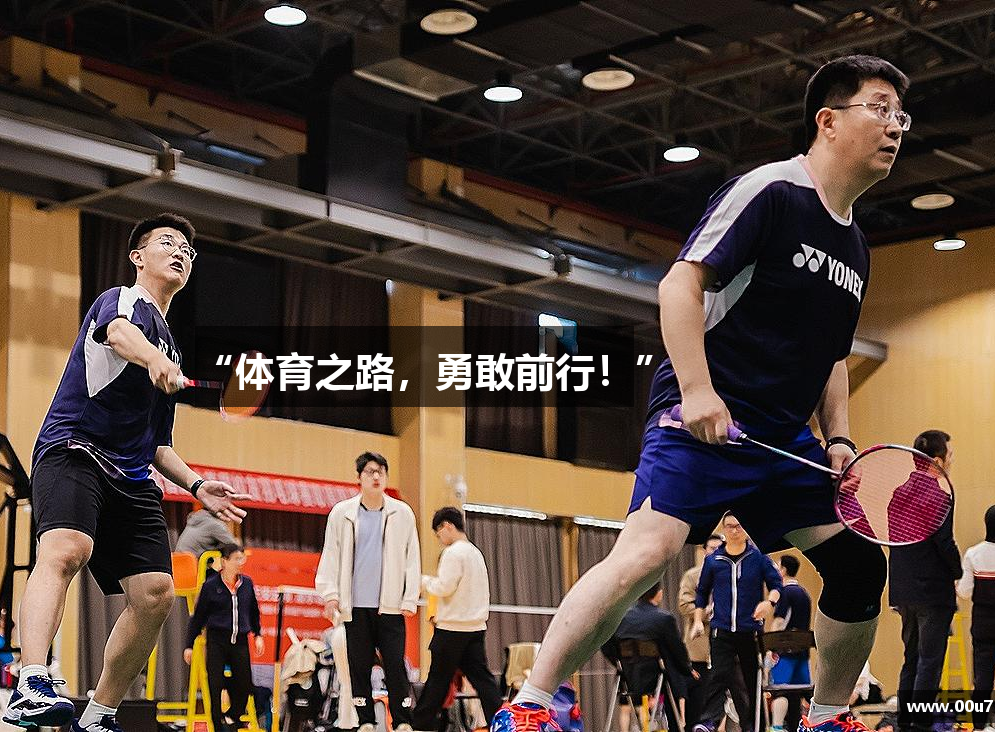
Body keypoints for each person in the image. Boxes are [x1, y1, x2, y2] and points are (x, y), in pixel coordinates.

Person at [491, 54, 909, 732]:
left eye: (901, 116)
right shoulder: (771, 192)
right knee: (647, 553)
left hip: (781, 440)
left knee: (858, 565)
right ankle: (530, 704)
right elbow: (678, 284)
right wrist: (697, 390)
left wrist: (838, 437)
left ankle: (828, 717)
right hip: (703, 418)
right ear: (828, 120)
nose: (895, 127)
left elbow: (832, 355)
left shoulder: (856, 248)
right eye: (880, 109)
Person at [3, 213, 251, 732]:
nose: (180, 252)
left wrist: (198, 486)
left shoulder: (172, 350)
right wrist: (152, 359)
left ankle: (98, 715)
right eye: (168, 243)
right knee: (67, 548)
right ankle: (30, 682)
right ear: (138, 256)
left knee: (156, 593)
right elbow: (117, 335)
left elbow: (157, 445)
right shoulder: (122, 300)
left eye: (187, 250)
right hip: (75, 448)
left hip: (132, 474)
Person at [315, 452, 420, 732]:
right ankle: (366, 721)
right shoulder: (341, 513)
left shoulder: (402, 514)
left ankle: (402, 721)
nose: (376, 476)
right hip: (355, 607)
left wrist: (410, 597)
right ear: (359, 477)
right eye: (370, 471)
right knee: (358, 666)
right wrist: (330, 595)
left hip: (390, 607)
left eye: (381, 472)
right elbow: (331, 555)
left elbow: (412, 558)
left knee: (395, 665)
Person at [890, 430, 961, 732]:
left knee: (911, 658)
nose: (951, 460)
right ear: (937, 461)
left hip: (903, 589)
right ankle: (920, 725)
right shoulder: (940, 495)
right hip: (932, 589)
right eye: (949, 455)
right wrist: (957, 571)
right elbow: (943, 542)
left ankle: (905, 723)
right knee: (930, 661)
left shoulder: (898, 493)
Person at [412, 507, 502, 732]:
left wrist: (423, 581)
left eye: (438, 533)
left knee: (437, 681)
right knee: (483, 680)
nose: (440, 538)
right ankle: (501, 722)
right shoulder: (476, 553)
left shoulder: (453, 553)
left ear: (447, 526)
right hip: (475, 627)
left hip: (452, 629)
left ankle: (419, 725)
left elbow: (444, 587)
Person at [691, 515, 782, 732]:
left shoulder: (758, 557)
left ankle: (754, 725)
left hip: (750, 630)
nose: (734, 531)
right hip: (721, 629)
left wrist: (769, 603)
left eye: (739, 526)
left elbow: (776, 585)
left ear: (746, 529)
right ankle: (709, 722)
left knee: (750, 680)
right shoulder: (714, 560)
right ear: (724, 528)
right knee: (719, 674)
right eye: (730, 527)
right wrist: (697, 621)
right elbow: (702, 593)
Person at [184, 543, 264, 732]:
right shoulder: (211, 586)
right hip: (217, 640)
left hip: (240, 640)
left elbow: (253, 611)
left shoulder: (247, 584)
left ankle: (232, 716)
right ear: (224, 561)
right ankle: (217, 725)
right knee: (215, 684)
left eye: (242, 558)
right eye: (236, 559)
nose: (240, 563)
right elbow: (199, 617)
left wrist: (258, 634)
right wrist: (189, 644)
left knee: (245, 683)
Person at [602, 583, 696, 732]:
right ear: (658, 594)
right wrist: (688, 668)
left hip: (627, 677)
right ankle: (680, 725)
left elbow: (605, 645)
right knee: (684, 680)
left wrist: (619, 664)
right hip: (654, 678)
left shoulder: (619, 618)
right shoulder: (664, 619)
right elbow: (677, 650)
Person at [958, 504, 995, 731]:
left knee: (982, 681)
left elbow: (965, 592)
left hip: (983, 624)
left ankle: (980, 727)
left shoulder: (974, 553)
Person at [678, 535, 724, 732]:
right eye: (712, 548)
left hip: (725, 643)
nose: (716, 552)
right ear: (704, 551)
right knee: (698, 698)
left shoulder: (729, 575)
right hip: (699, 646)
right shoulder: (692, 576)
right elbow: (684, 605)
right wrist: (706, 612)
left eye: (719, 548)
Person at [768, 555, 813, 732]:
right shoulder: (805, 593)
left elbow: (780, 621)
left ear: (783, 570)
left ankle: (776, 728)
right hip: (803, 651)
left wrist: (770, 645)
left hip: (785, 651)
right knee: (799, 693)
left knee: (780, 690)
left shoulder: (785, 593)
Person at [177, 507, 238, 576]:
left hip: (179, 569)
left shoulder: (196, 520)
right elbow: (234, 546)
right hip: (195, 569)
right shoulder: (214, 524)